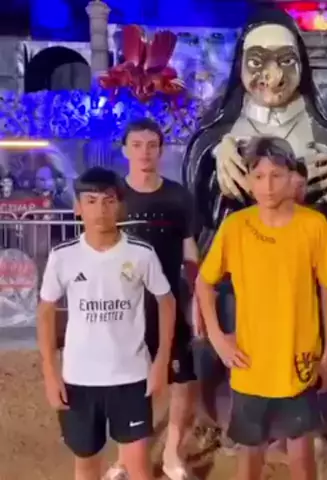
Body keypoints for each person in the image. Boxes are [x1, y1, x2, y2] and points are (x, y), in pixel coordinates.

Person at [195, 136, 327, 480]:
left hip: (299, 362)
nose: (268, 186)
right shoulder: (236, 227)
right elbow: (204, 282)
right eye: (259, 176)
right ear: (248, 180)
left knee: (302, 457)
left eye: (276, 175)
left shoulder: (313, 226)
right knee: (250, 456)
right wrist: (217, 337)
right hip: (251, 364)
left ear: (292, 176)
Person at [37, 167, 176, 480]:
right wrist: (50, 372)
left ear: (120, 205)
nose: (100, 210)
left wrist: (161, 361)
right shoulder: (63, 256)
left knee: (139, 466)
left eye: (109, 201)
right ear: (78, 207)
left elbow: (166, 301)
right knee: (86, 463)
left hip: (131, 377)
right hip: (79, 380)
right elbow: (45, 311)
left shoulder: (141, 254)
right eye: (91, 201)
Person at [107, 118, 201, 480]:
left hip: (169, 305)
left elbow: (190, 252)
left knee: (182, 379)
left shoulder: (179, 197)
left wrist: (198, 299)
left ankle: (172, 453)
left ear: (161, 150)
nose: (144, 152)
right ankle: (125, 457)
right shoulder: (113, 198)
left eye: (151, 145)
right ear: (125, 150)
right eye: (137, 145)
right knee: (126, 383)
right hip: (123, 309)